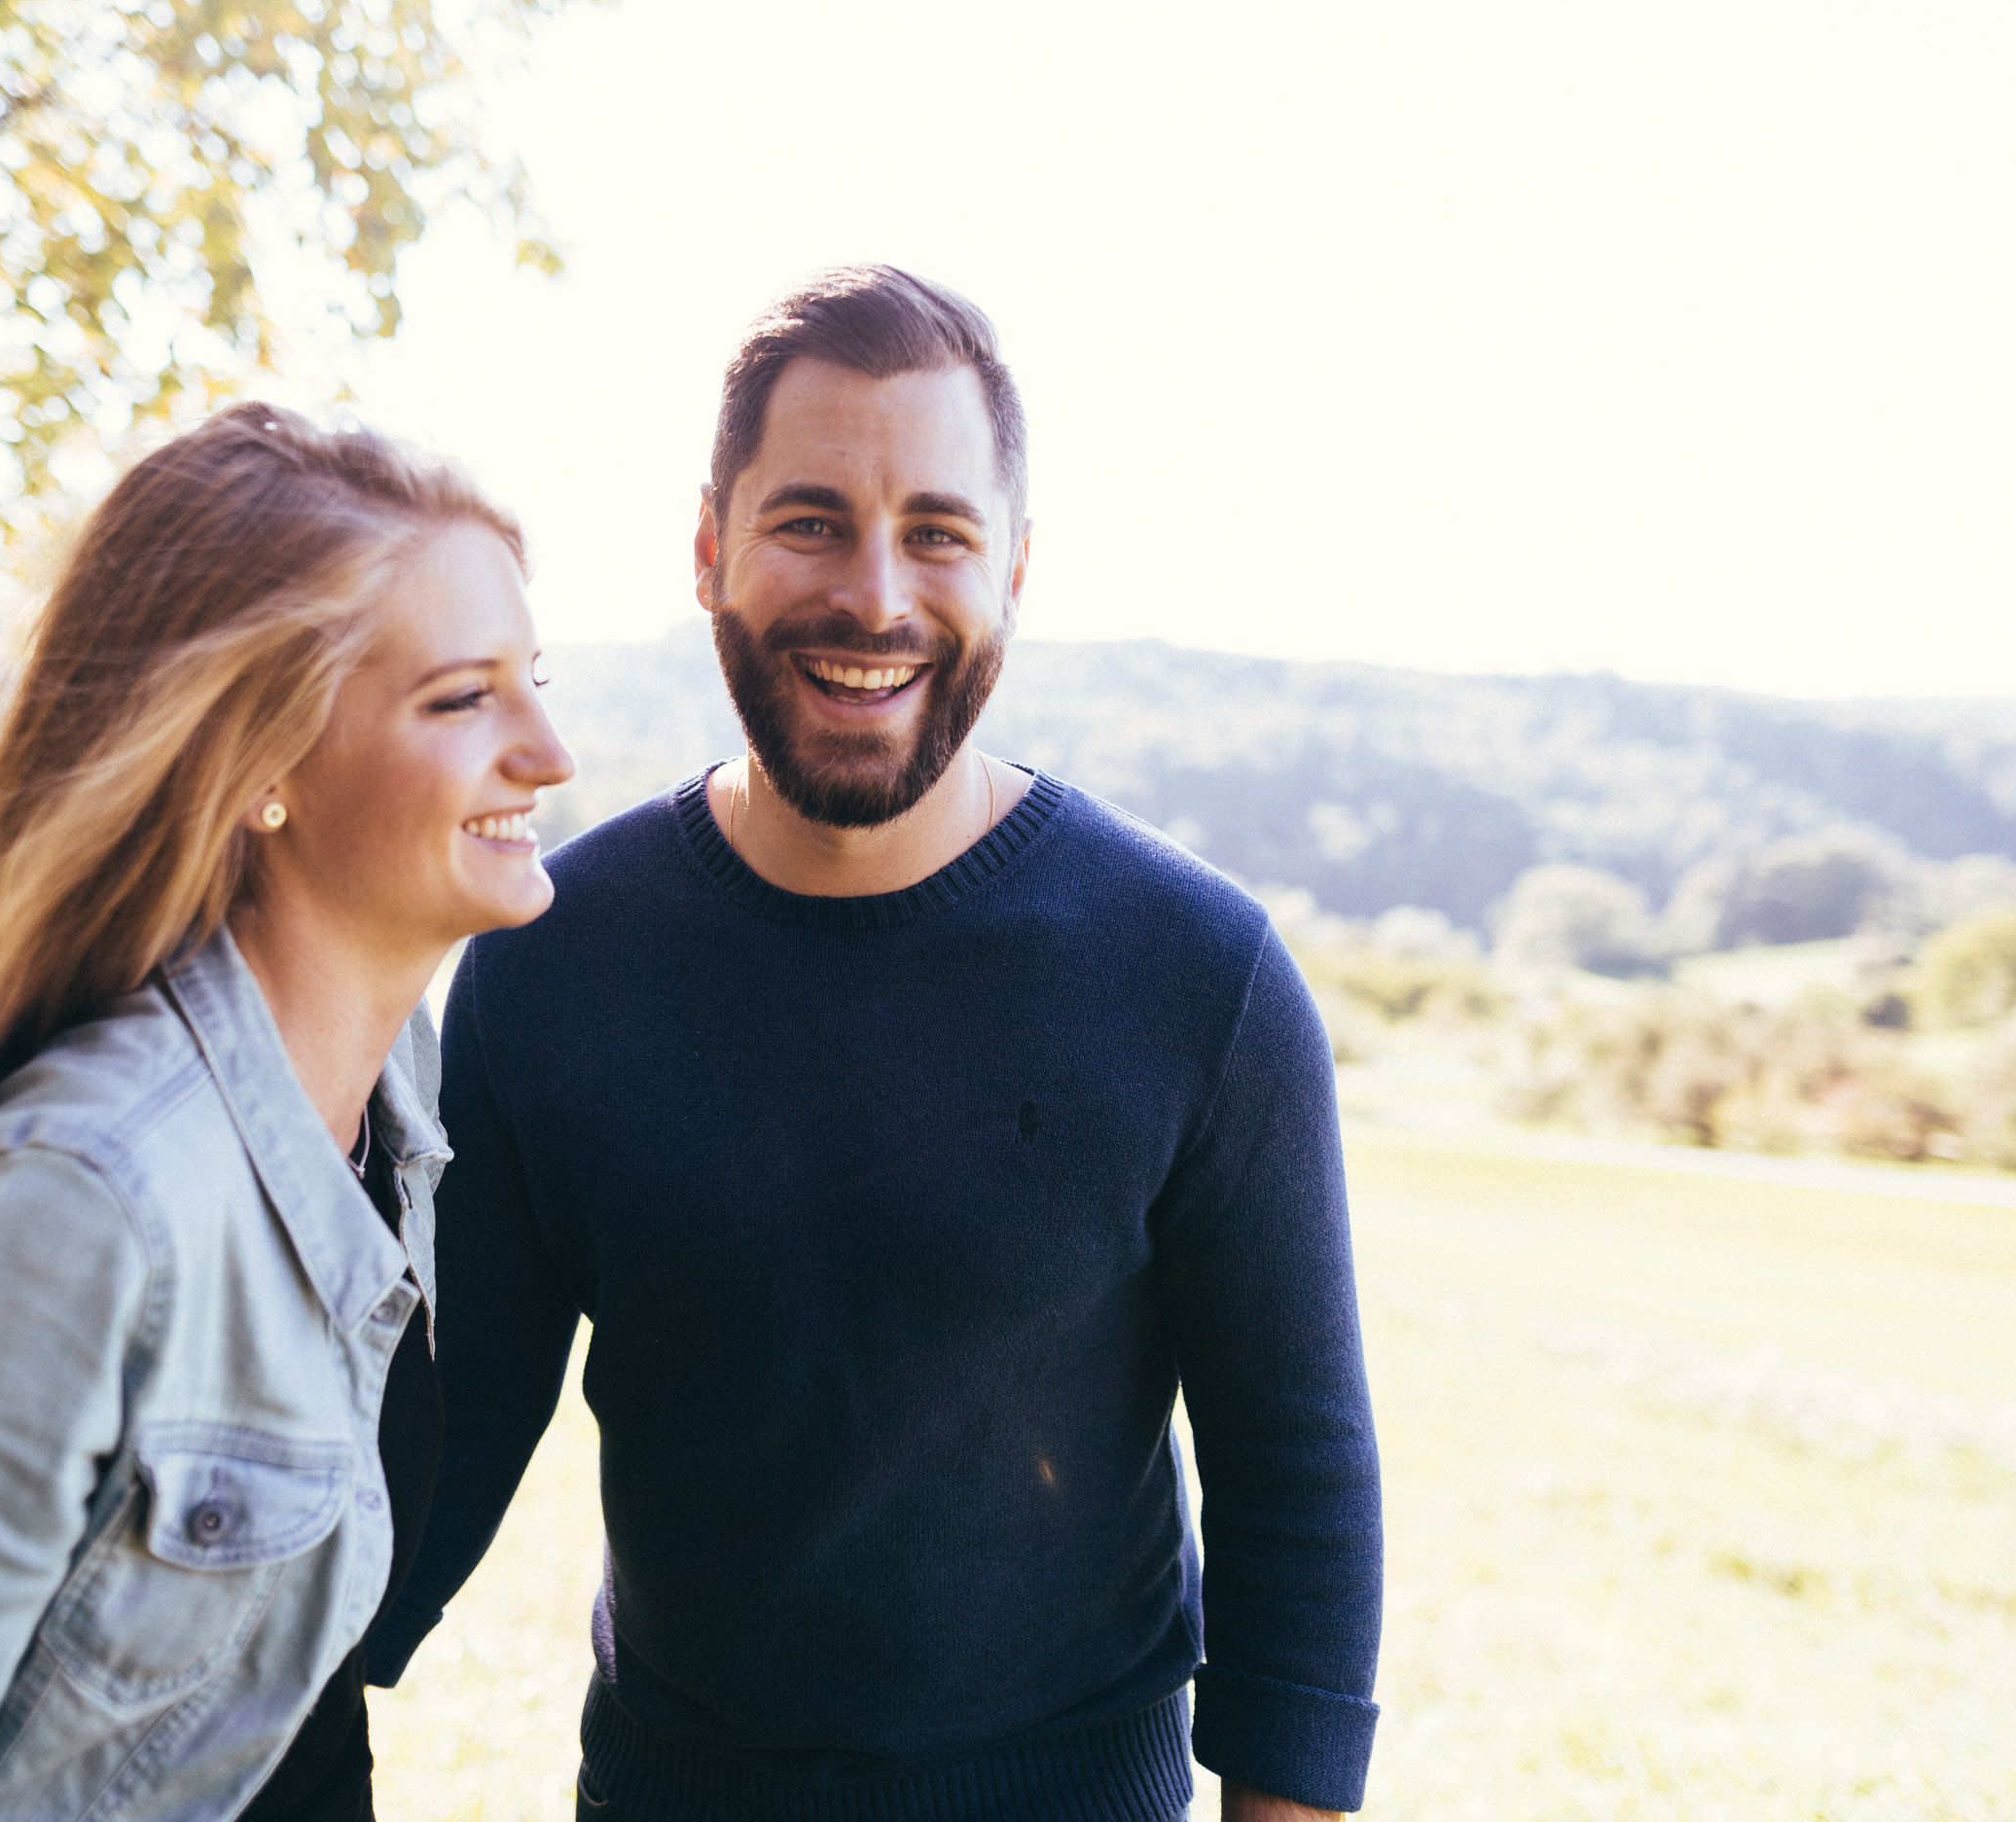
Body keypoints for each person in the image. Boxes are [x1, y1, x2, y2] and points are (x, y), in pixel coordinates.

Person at [366, 267, 1384, 1821]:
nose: (878, 596)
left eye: (939, 533)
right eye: (812, 521)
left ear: (1015, 570)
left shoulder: (1198, 974)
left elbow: (1295, 1478)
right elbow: (444, 1441)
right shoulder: (551, 959)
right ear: (708, 547)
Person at [0, 404, 574, 1821]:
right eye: (463, 700)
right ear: (261, 765)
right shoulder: (84, 1204)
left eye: (533, 682)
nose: (549, 752)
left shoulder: (393, 1106)